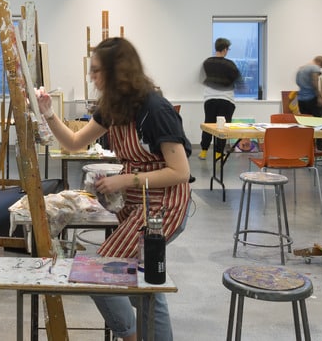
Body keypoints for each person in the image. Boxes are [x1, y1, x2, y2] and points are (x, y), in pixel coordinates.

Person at [35, 37, 191, 341]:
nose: (92, 77)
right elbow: (75, 143)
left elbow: (180, 172)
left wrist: (124, 180)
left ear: (117, 71)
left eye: (96, 71)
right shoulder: (114, 107)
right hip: (137, 207)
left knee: (101, 272)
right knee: (145, 284)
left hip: (165, 208)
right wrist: (48, 113)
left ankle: (132, 336)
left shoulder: (155, 109)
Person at [199, 37, 240, 160]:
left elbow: (202, 79)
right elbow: (238, 82)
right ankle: (218, 154)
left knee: (208, 124)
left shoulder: (207, 62)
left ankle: (204, 152)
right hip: (226, 100)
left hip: (210, 99)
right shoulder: (230, 64)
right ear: (225, 49)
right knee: (222, 127)